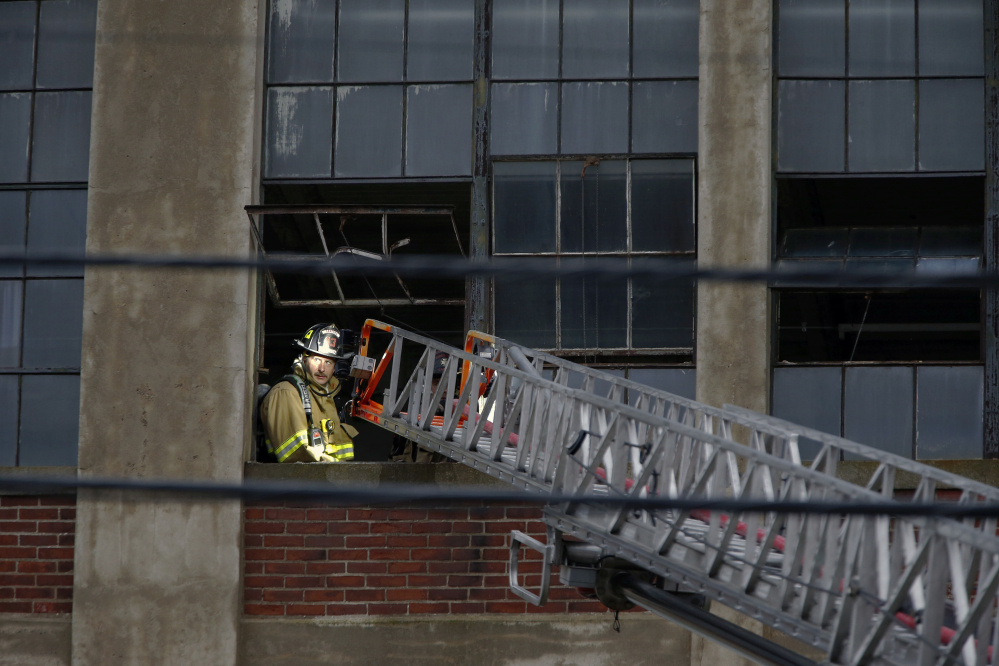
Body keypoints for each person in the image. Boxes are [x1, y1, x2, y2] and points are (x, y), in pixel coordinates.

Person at [260, 323, 358, 463]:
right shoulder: (286, 393)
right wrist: (339, 471)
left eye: (328, 362)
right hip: (296, 482)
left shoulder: (328, 396)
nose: (322, 368)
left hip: (328, 480)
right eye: (316, 359)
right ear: (304, 359)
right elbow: (295, 453)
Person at [389, 350, 450, 463]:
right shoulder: (410, 420)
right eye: (437, 383)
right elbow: (395, 459)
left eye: (447, 383)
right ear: (425, 386)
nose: (444, 390)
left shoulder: (463, 421)